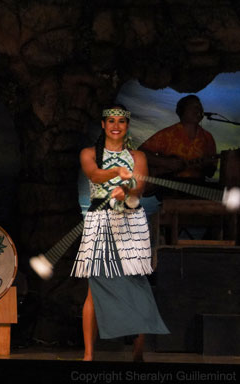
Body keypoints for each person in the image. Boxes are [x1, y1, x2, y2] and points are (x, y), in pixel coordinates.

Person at [71, 104, 169, 361]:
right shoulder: (89, 153)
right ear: (103, 125)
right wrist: (115, 172)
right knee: (95, 287)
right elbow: (94, 174)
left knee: (136, 283)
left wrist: (126, 192)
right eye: (111, 120)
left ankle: (138, 350)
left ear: (127, 126)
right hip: (100, 221)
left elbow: (140, 188)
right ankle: (88, 354)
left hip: (130, 222)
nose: (116, 125)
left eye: (121, 121)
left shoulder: (138, 157)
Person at [138, 95, 218, 197]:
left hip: (196, 187)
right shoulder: (168, 134)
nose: (199, 110)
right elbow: (141, 153)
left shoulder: (208, 138)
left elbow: (210, 173)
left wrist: (207, 166)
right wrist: (165, 163)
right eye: (194, 107)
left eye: (200, 107)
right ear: (182, 111)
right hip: (168, 185)